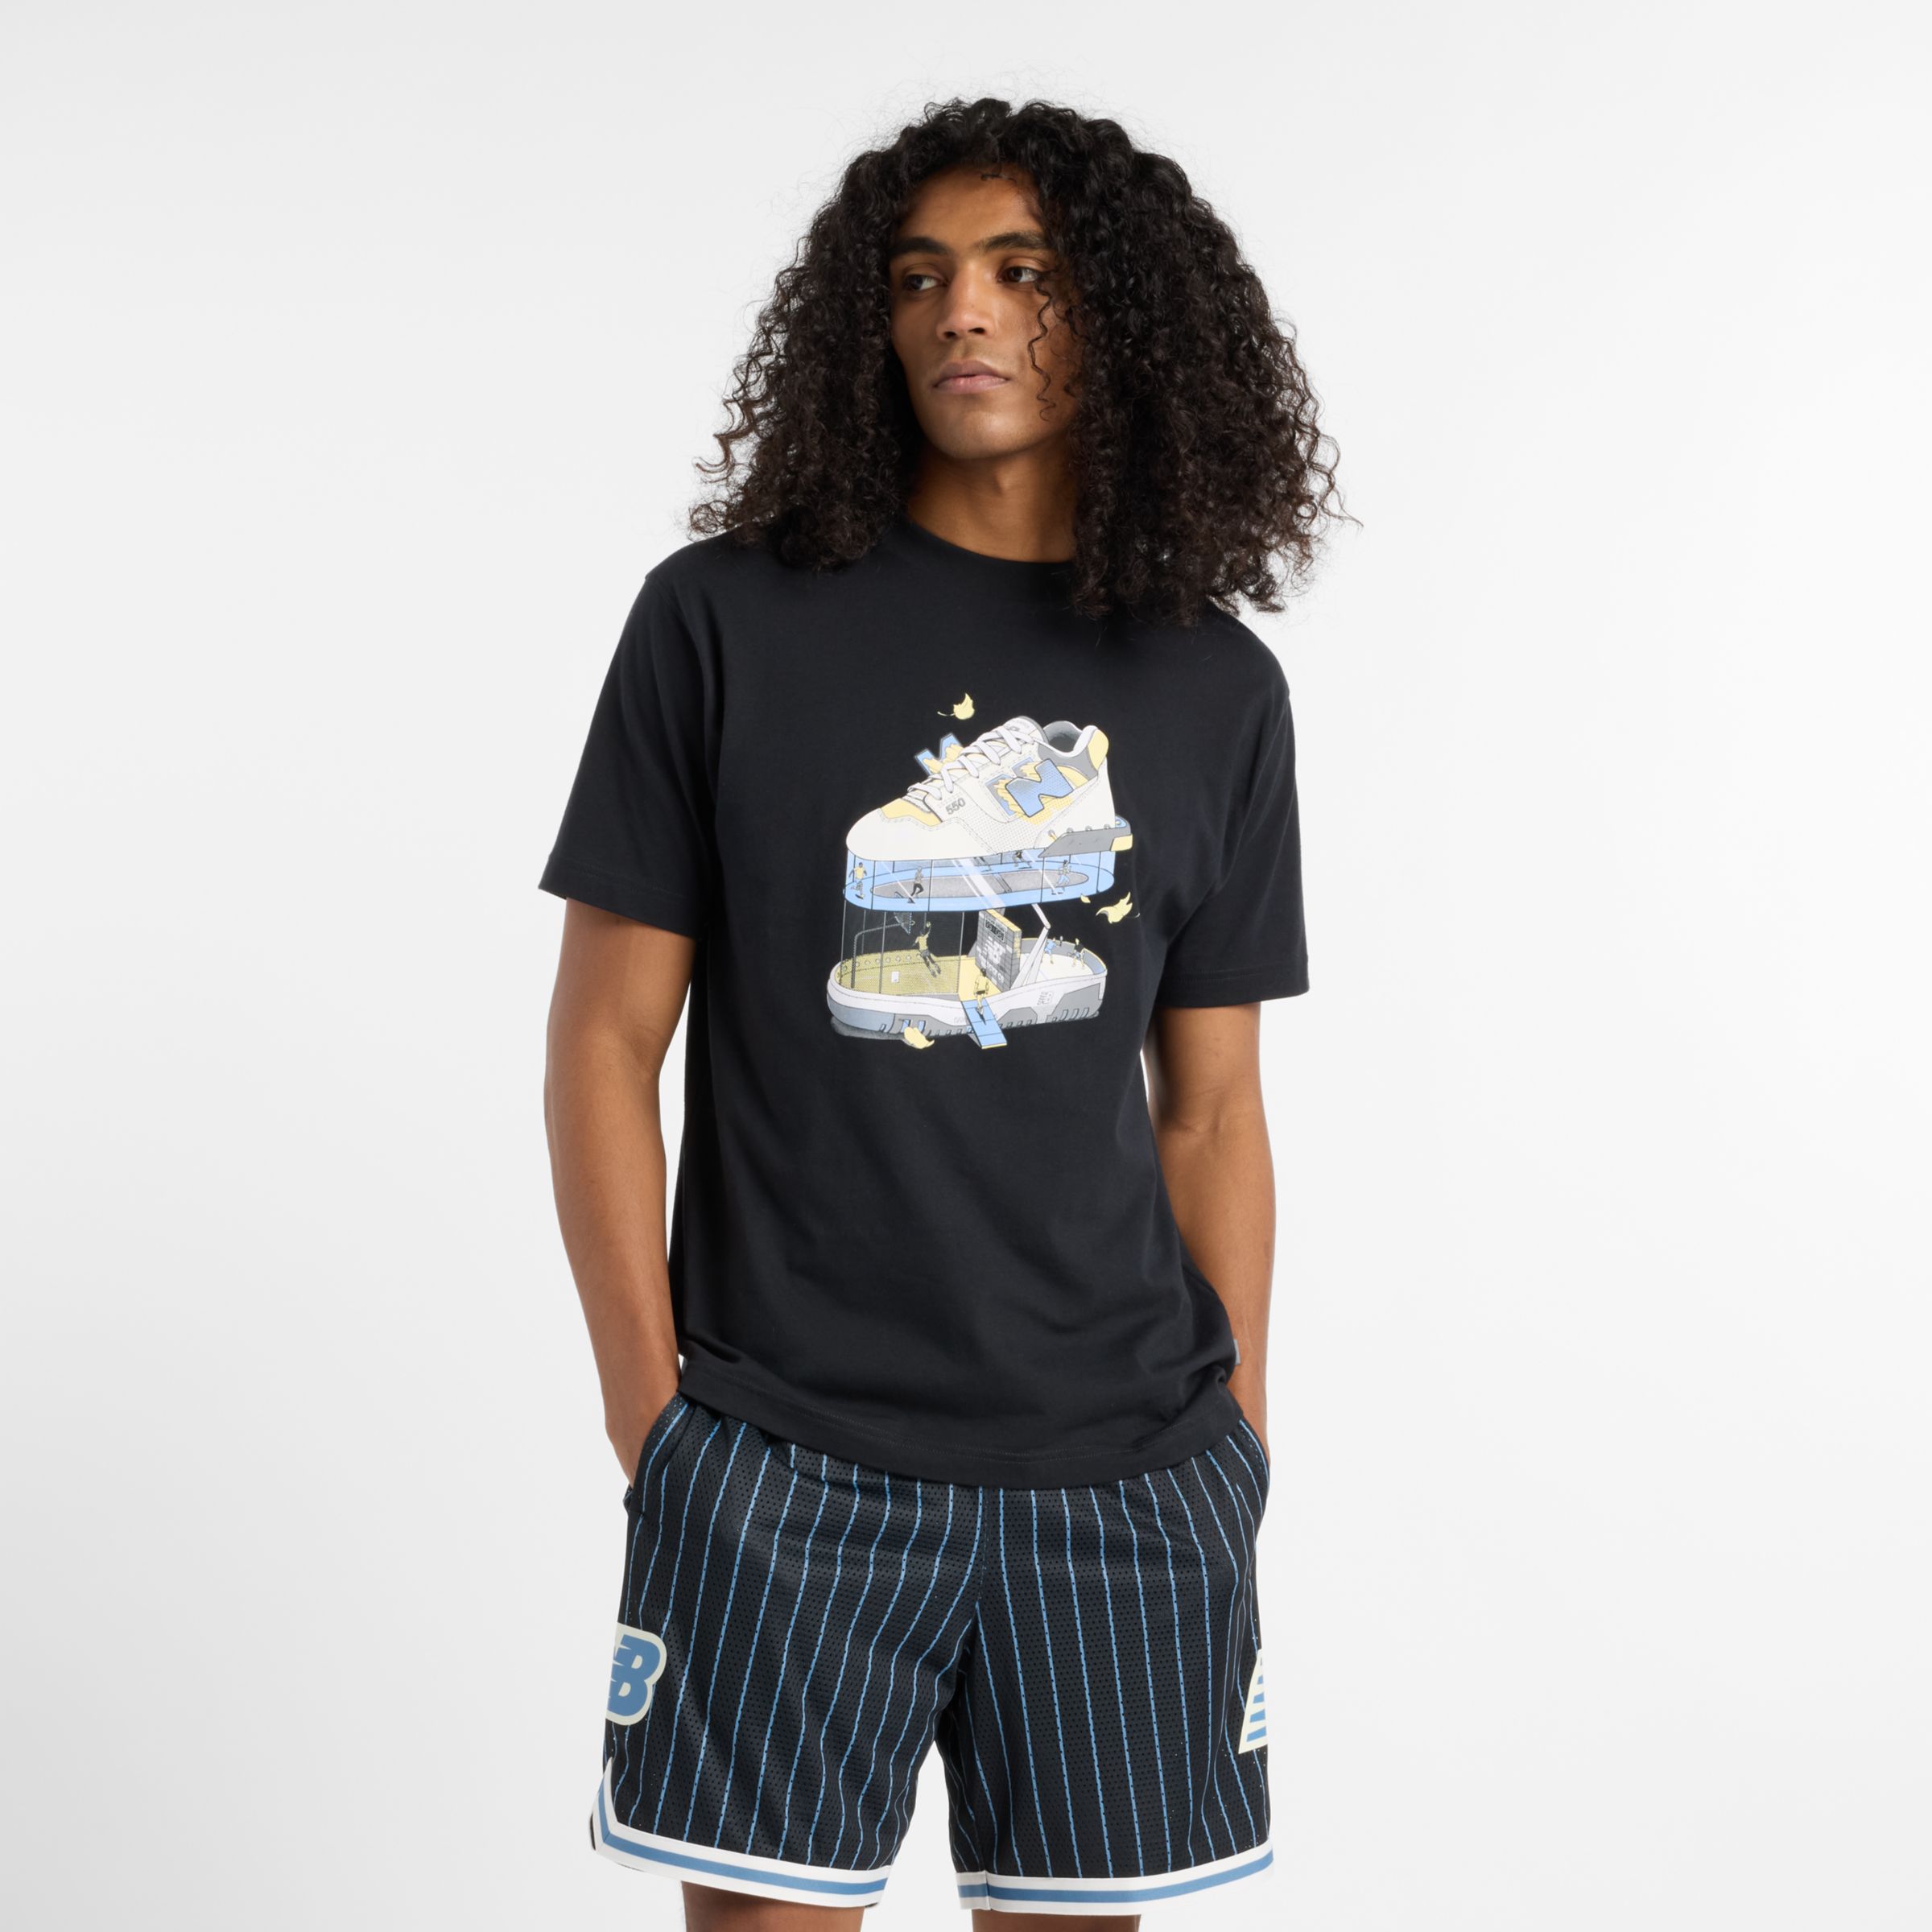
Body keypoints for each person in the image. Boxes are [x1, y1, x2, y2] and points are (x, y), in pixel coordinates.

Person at [541, 95, 1342, 1930]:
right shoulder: (721, 623)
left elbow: (1212, 1107)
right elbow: (603, 1045)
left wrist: (1238, 1438)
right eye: (918, 277)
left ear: (1125, 315)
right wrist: (656, 1423)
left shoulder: (1218, 689)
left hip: (1129, 1478)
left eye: (1020, 270)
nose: (961, 311)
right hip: (782, 1462)